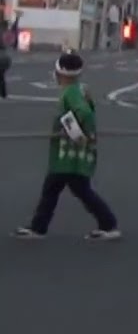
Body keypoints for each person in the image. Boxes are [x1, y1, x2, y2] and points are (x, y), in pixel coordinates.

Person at [12, 52, 120, 240]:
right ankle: (39, 227)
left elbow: (84, 113)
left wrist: (72, 132)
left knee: (70, 189)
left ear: (60, 73)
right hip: (72, 154)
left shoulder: (70, 92)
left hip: (69, 155)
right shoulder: (80, 88)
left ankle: (108, 224)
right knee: (61, 189)